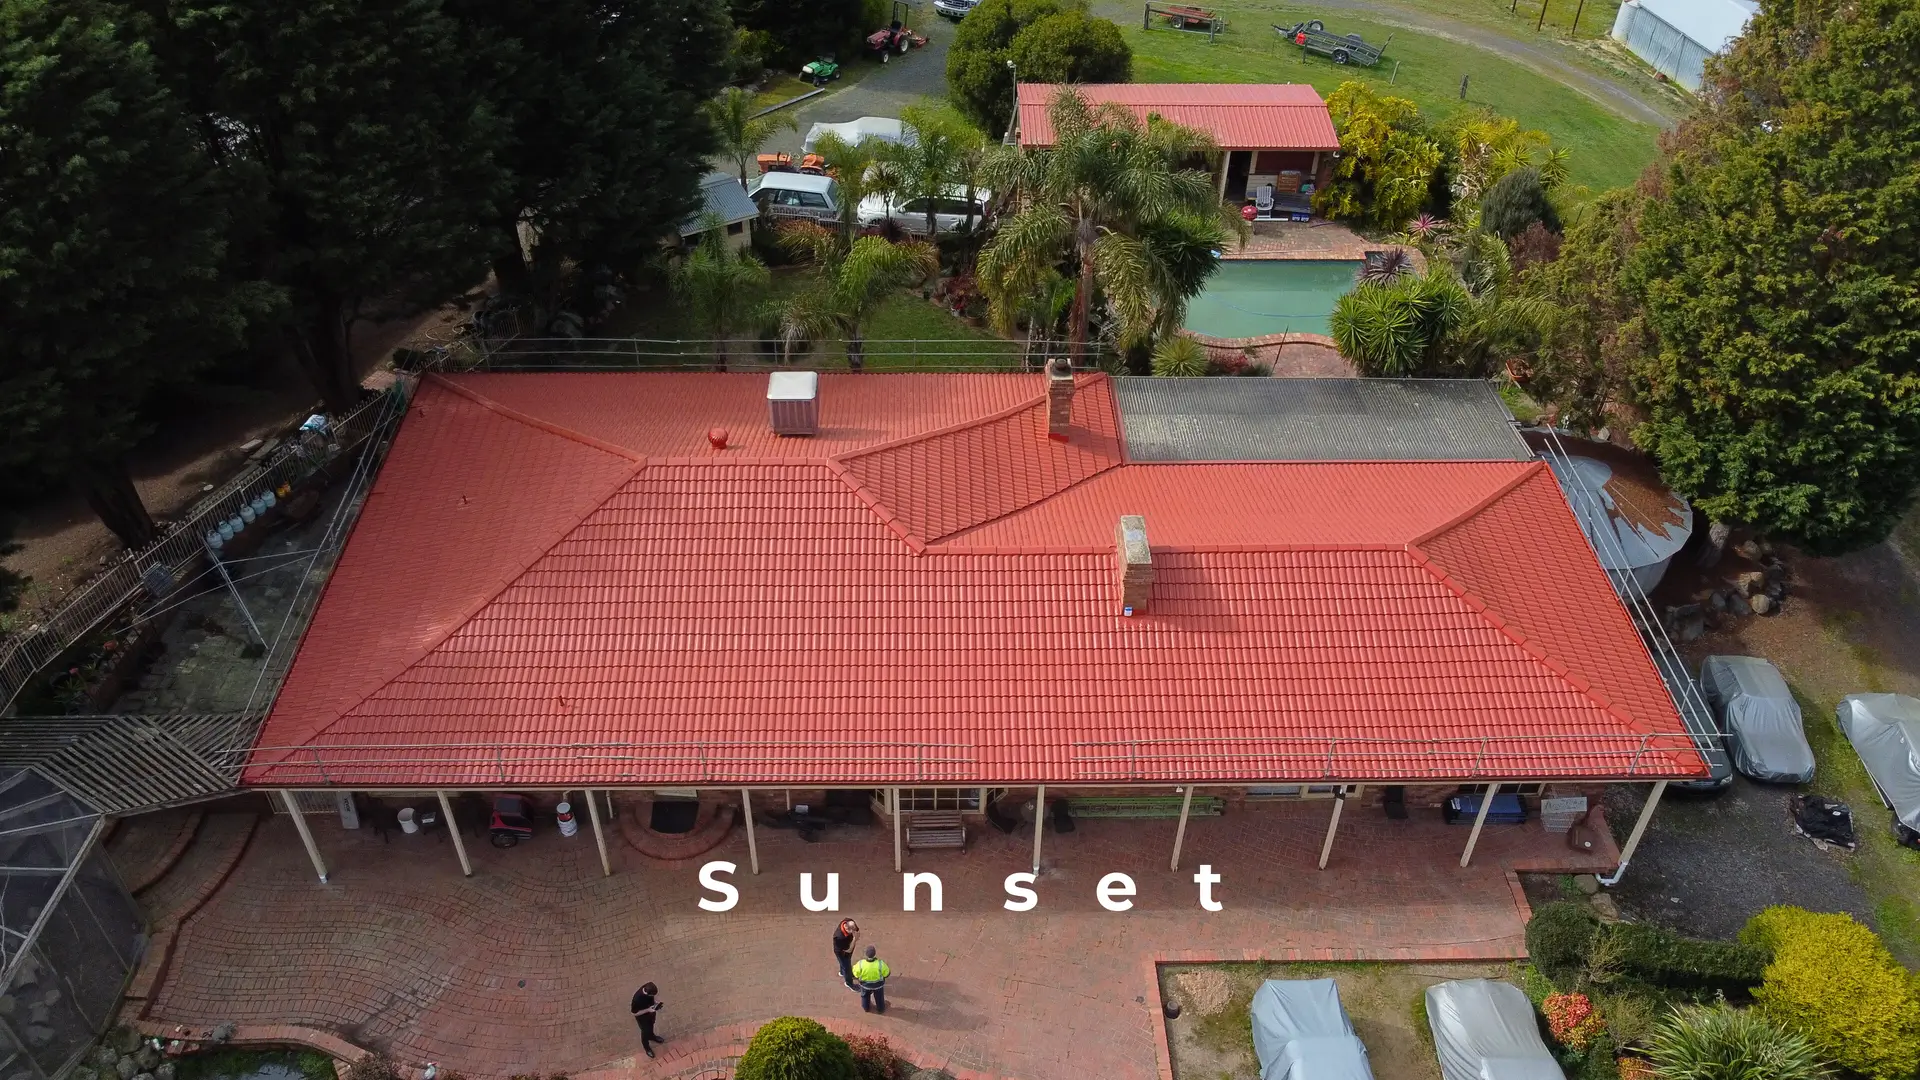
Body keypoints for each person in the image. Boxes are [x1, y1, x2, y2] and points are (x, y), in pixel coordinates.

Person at [851, 945, 890, 1015]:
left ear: (866, 954)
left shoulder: (860, 964)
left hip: (865, 985)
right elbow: (887, 974)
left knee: (865, 996)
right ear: (874, 954)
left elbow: (855, 974)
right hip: (878, 985)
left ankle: (866, 1008)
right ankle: (880, 1009)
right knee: (879, 997)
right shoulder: (880, 964)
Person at [630, 982, 664, 1058]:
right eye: (652, 996)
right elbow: (634, 1013)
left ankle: (652, 1036)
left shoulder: (648, 986)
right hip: (643, 1018)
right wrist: (648, 1010)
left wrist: (655, 1002)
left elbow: (652, 997)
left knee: (651, 1026)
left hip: (650, 1014)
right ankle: (647, 1047)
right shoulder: (637, 999)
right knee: (645, 1032)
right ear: (647, 993)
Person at [832, 919, 860, 990]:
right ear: (847, 928)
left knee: (845, 964)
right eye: (852, 931)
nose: (854, 932)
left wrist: (856, 933)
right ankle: (849, 983)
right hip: (842, 952)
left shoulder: (848, 921)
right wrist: (855, 939)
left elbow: (857, 930)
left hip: (849, 946)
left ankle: (842, 972)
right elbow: (848, 950)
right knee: (847, 966)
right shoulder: (839, 937)